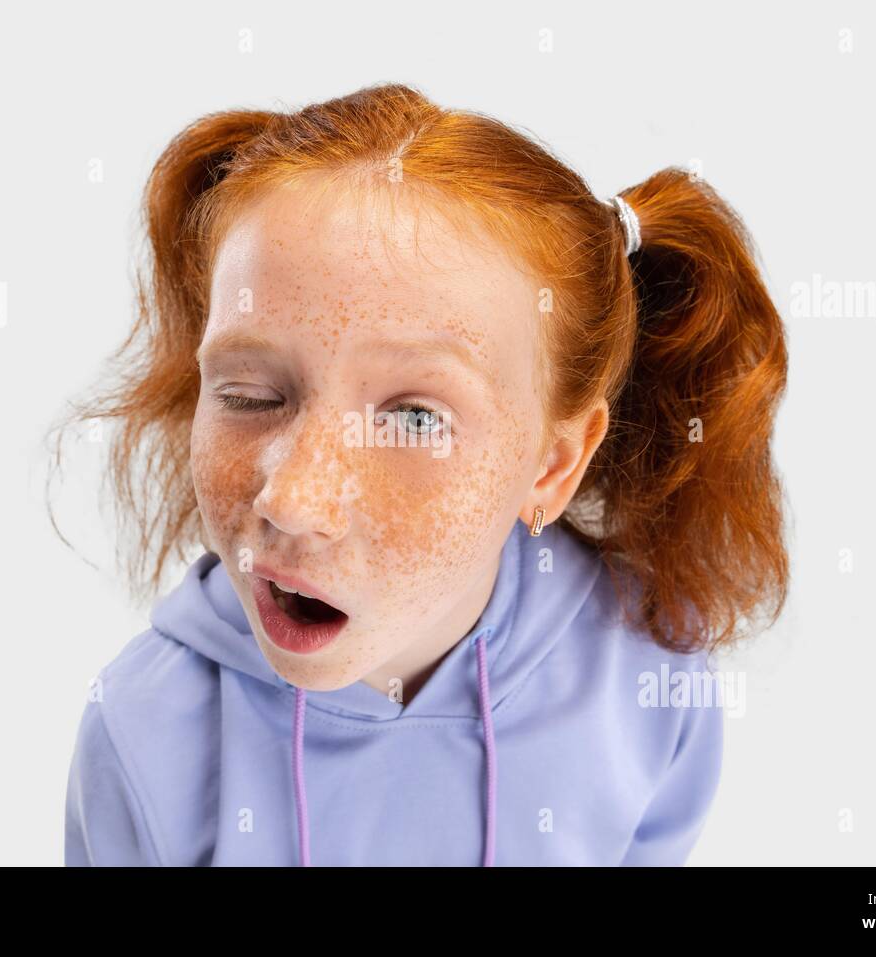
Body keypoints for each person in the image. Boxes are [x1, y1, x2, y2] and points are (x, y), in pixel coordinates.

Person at [57, 82, 789, 866]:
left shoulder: (649, 678)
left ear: (555, 462)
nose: (295, 499)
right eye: (249, 395)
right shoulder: (143, 728)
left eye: (413, 418)